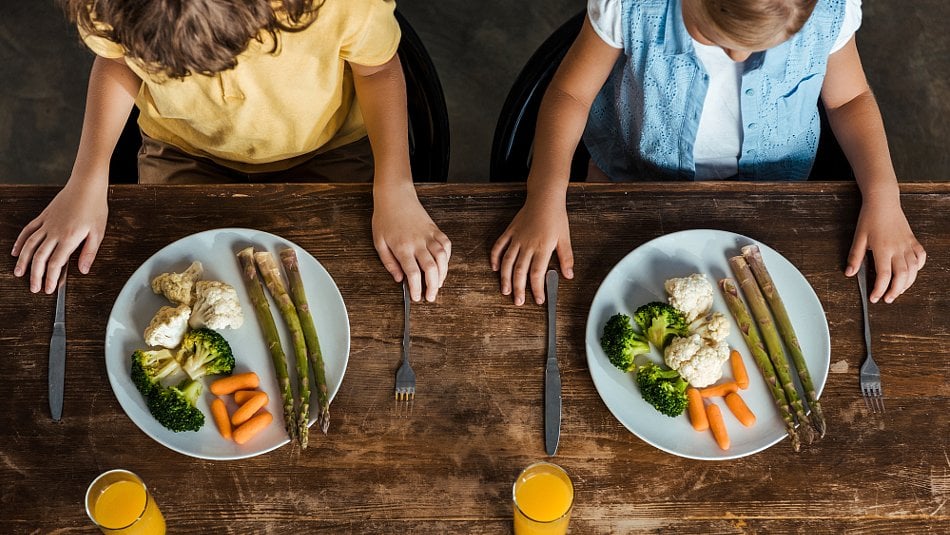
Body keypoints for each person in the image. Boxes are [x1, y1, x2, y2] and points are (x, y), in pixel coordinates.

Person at [491, 0, 925, 306]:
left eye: (766, 45)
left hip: (770, 197)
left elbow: (849, 101)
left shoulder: (831, 8)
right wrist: (546, 198)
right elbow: (570, 93)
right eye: (720, 39)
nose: (739, 56)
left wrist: (884, 198)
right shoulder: (631, 6)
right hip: (631, 180)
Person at [12, 0, 451, 303]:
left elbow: (378, 72)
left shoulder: (342, 6)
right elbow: (117, 63)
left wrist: (395, 188)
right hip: (182, 150)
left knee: (344, 283)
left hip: (328, 149)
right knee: (171, 286)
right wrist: (86, 181)